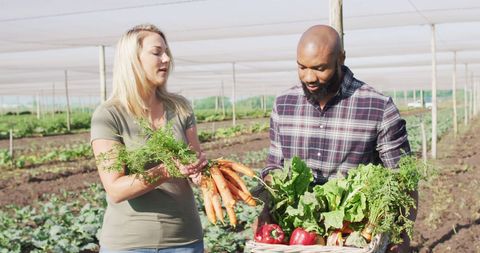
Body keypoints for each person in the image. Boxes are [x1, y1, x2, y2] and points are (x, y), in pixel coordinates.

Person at [258, 25, 414, 252]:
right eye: (302, 67)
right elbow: (274, 166)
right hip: (296, 239)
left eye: (320, 68)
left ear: (341, 58)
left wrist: (402, 239)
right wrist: (266, 206)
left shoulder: (378, 107)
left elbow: (402, 179)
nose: (309, 77)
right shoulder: (284, 104)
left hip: (354, 238)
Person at [90, 24, 207, 253]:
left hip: (186, 240)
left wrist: (202, 175)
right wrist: (166, 170)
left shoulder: (180, 107)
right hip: (129, 244)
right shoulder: (108, 115)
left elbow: (195, 164)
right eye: (157, 52)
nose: (166, 59)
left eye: (167, 52)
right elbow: (115, 189)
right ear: (132, 59)